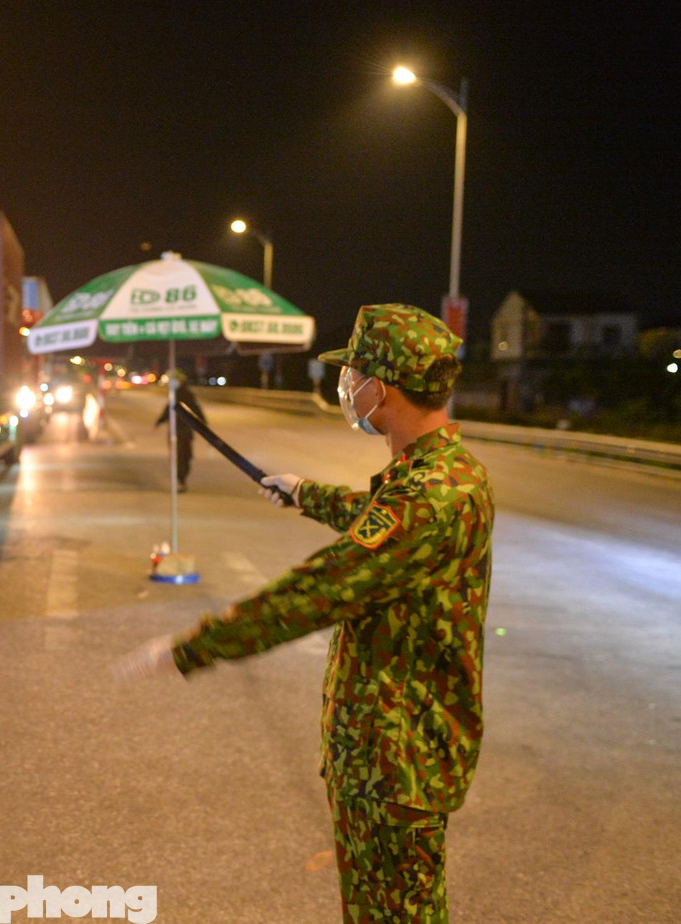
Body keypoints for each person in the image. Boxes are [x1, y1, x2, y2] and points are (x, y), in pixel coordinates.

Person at [116, 304, 494, 923]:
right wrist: (303, 493)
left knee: (393, 913)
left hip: (396, 760)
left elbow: (315, 592)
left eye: (356, 373)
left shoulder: (429, 496)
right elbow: (380, 517)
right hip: (394, 753)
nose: (349, 386)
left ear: (385, 385)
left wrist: (190, 648)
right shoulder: (446, 471)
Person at [154, 370, 205, 492]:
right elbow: (169, 410)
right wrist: (159, 421)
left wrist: (159, 422)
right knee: (184, 456)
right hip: (183, 430)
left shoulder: (182, 395)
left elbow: (195, 409)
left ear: (181, 381)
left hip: (180, 430)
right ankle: (181, 479)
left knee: (180, 456)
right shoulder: (179, 394)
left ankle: (181, 479)